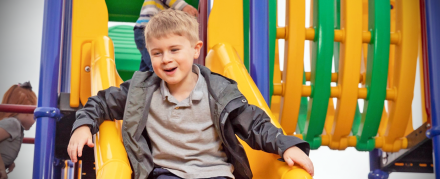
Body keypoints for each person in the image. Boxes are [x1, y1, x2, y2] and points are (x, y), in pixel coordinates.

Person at [68, 9, 314, 179]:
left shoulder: (218, 90)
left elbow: (256, 125)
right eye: (157, 53)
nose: (166, 59)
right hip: (166, 172)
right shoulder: (141, 89)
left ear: (196, 50)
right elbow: (100, 102)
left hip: (214, 172)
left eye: (175, 49)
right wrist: (83, 125)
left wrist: (286, 146)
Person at [134, 0, 198, 72]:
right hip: (149, 29)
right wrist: (184, 6)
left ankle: (140, 82)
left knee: (146, 68)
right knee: (157, 67)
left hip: (144, 29)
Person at [0, 82, 37, 179]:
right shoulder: (13, 123)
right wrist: (1, 169)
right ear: (26, 110)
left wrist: (8, 161)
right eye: (34, 111)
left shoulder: (17, 127)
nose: (36, 117)